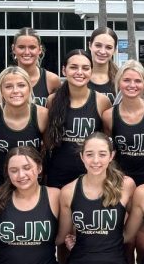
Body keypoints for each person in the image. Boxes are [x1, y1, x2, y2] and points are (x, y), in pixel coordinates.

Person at [56, 134, 136, 264]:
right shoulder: (69, 191)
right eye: (90, 154)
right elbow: (65, 233)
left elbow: (131, 231)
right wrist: (73, 237)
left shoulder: (126, 185)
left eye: (102, 154)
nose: (96, 160)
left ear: (111, 156)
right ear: (82, 156)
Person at [42, 50, 112, 190]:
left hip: (91, 174)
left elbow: (106, 138)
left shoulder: (102, 101)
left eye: (85, 68)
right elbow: (47, 140)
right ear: (64, 70)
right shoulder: (52, 100)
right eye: (73, 67)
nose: (79, 72)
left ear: (91, 71)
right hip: (58, 174)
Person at [0, 67, 48, 193]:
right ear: (0, 90)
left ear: (29, 88)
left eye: (21, 85)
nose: (15, 91)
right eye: (8, 86)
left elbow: (47, 148)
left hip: (29, 177)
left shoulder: (42, 115)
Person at [103, 60, 144, 186]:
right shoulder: (109, 116)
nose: (132, 85)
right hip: (121, 182)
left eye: (137, 81)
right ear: (119, 82)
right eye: (126, 80)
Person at [2, 27, 60, 105]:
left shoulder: (52, 80)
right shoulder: (3, 79)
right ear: (13, 49)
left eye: (32, 47)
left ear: (39, 49)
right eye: (21, 47)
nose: (27, 52)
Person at [87, 27, 120, 100]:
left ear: (114, 50)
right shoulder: (79, 77)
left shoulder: (121, 80)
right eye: (98, 45)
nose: (102, 51)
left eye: (108, 47)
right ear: (90, 45)